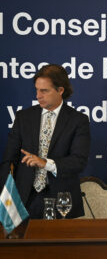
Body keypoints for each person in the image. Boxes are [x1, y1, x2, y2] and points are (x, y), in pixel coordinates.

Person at [0, 64, 91, 219]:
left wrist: (45, 163)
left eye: (44, 91)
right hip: (24, 200)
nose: (38, 96)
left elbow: (79, 161)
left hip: (62, 201)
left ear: (60, 90)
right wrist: (5, 199)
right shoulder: (24, 117)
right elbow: (8, 161)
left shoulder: (78, 120)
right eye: (37, 90)